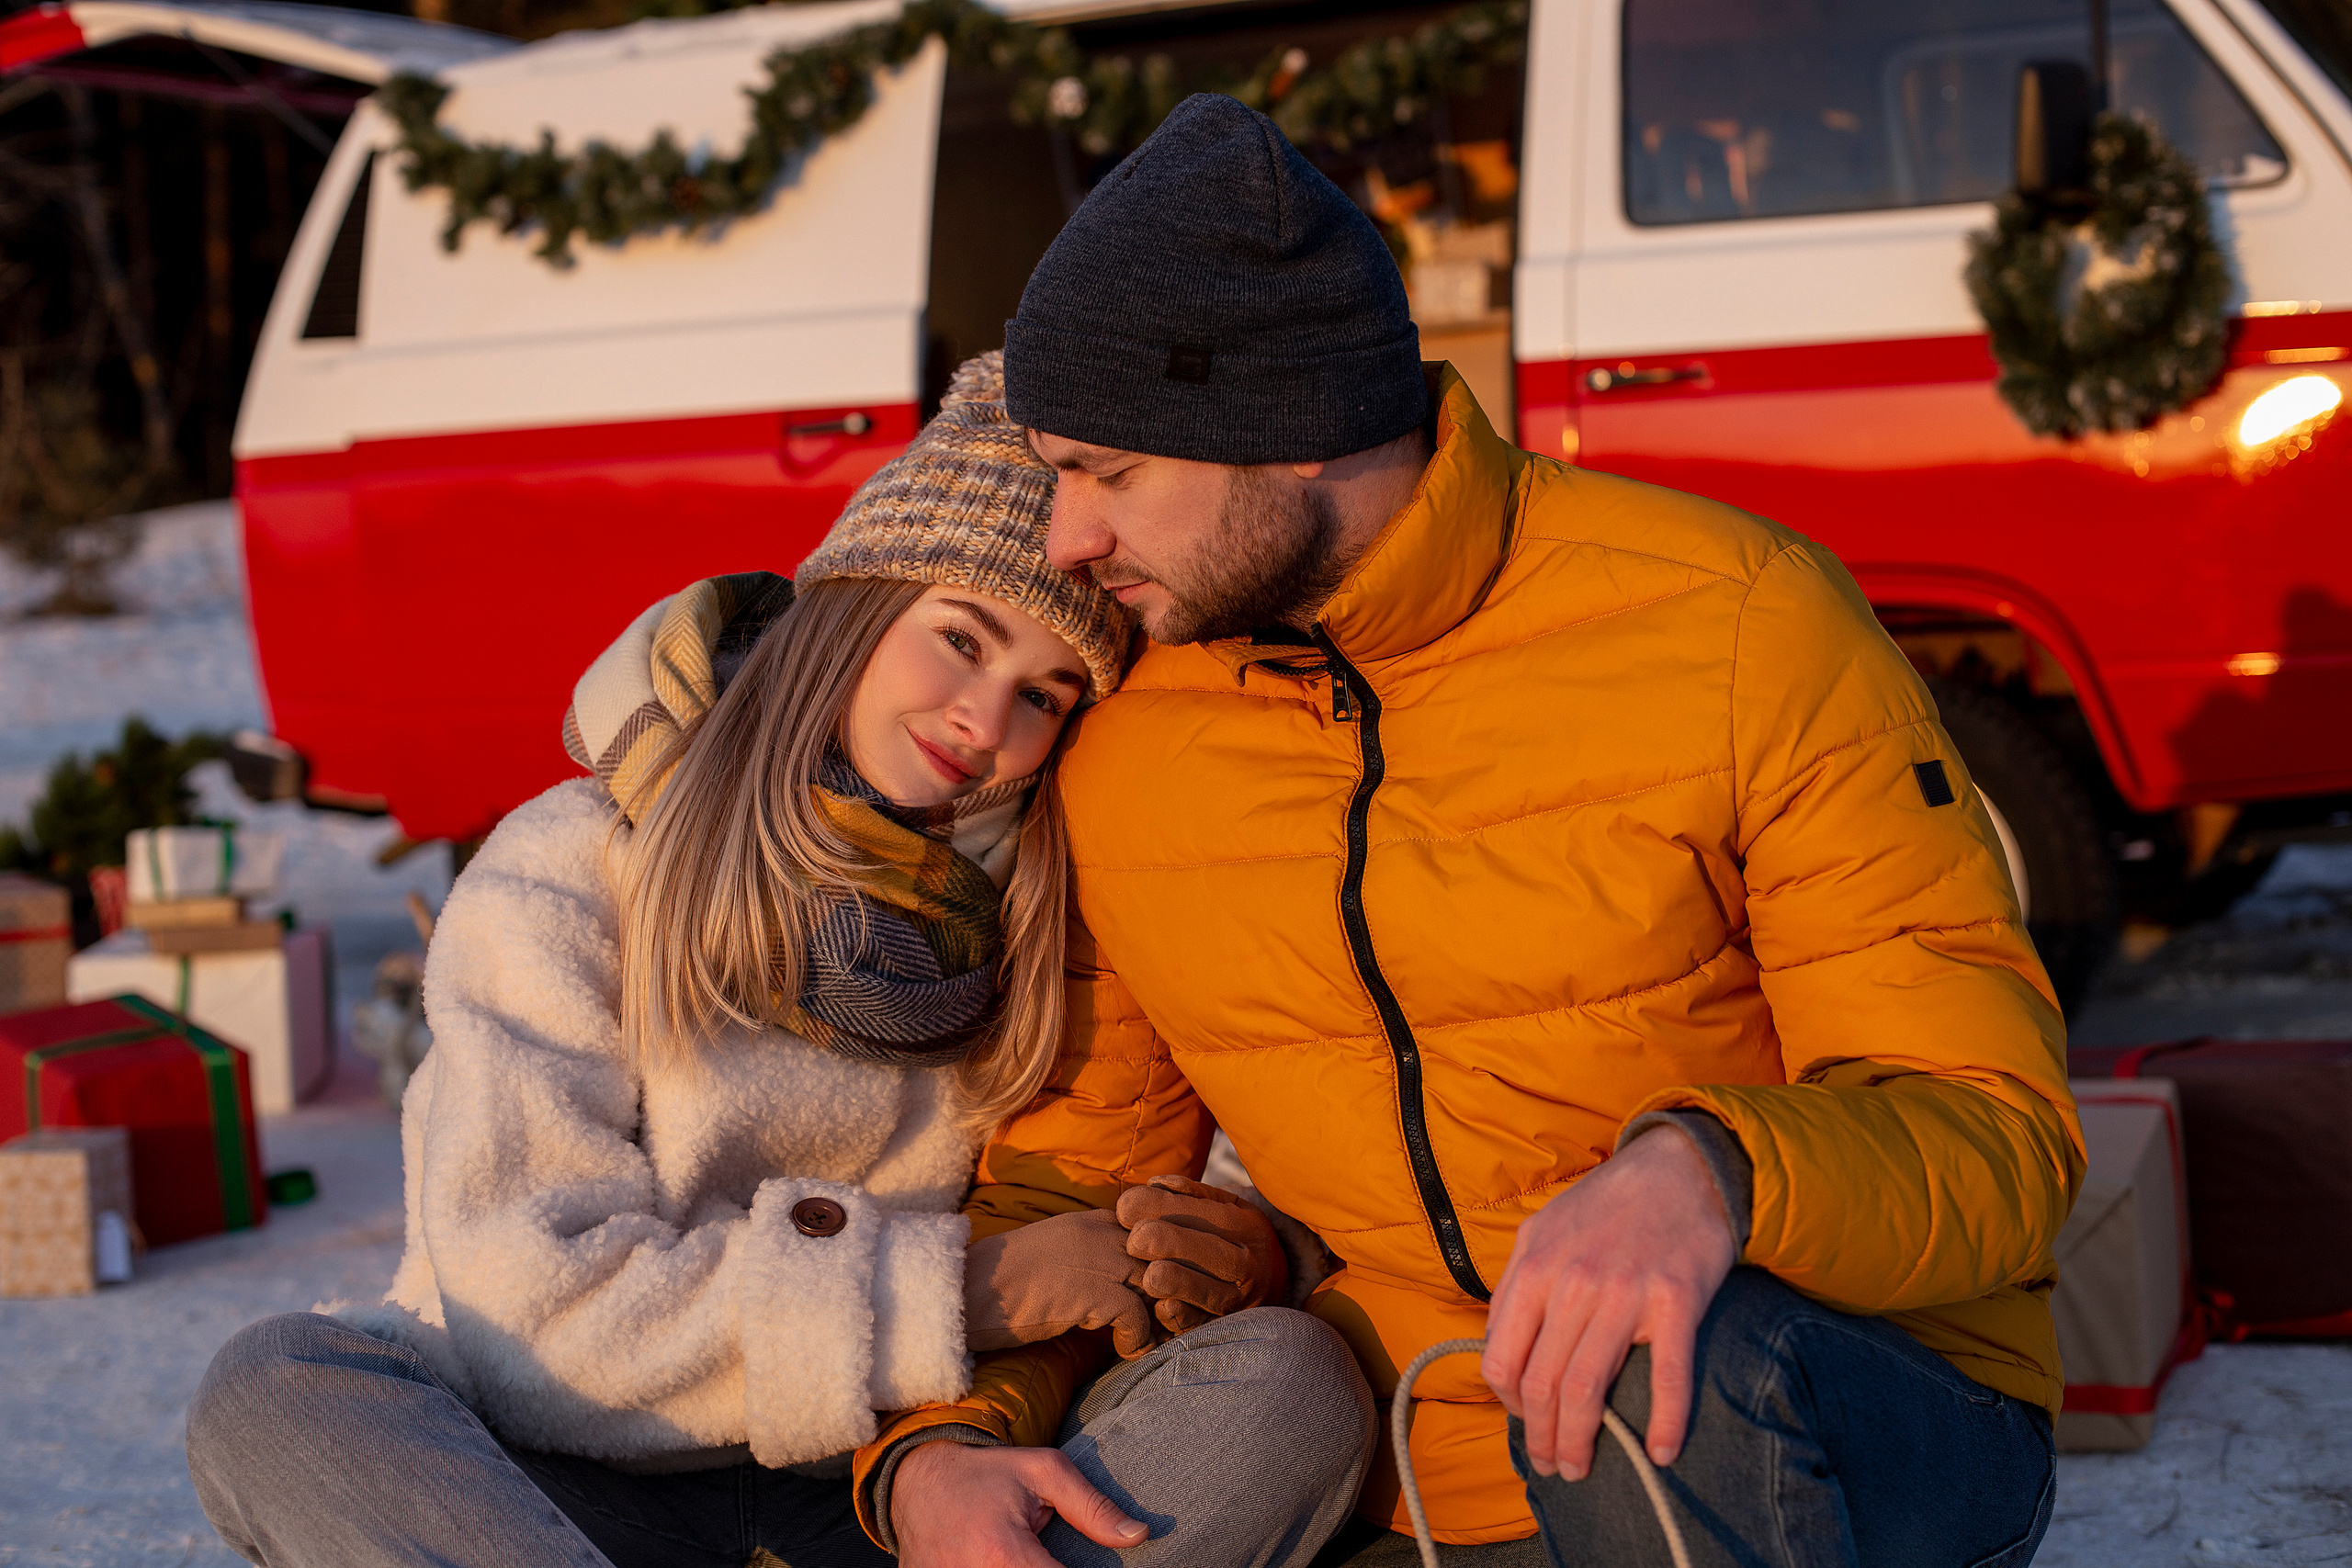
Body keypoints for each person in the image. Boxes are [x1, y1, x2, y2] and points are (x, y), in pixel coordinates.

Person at [863, 97, 2080, 1568]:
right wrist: (942, 1446)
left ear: (1287, 431)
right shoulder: (1137, 733)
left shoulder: (1741, 627)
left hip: (1833, 1413)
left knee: (1644, 1355)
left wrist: (1713, 1172)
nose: (1067, 540)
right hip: (1438, 1457)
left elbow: (1996, 1137)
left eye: (1108, 475)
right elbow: (1074, 1182)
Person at [181, 356, 1375, 1568]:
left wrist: (1238, 1244)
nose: (984, 719)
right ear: (854, 609)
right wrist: (968, 1291)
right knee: (282, 1387)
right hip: (562, 1497)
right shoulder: (577, 866)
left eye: (1047, 696)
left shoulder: (1041, 912)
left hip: (889, 1485)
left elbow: (1196, 1149)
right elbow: (535, 1319)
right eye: (961, 638)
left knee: (1288, 1385)